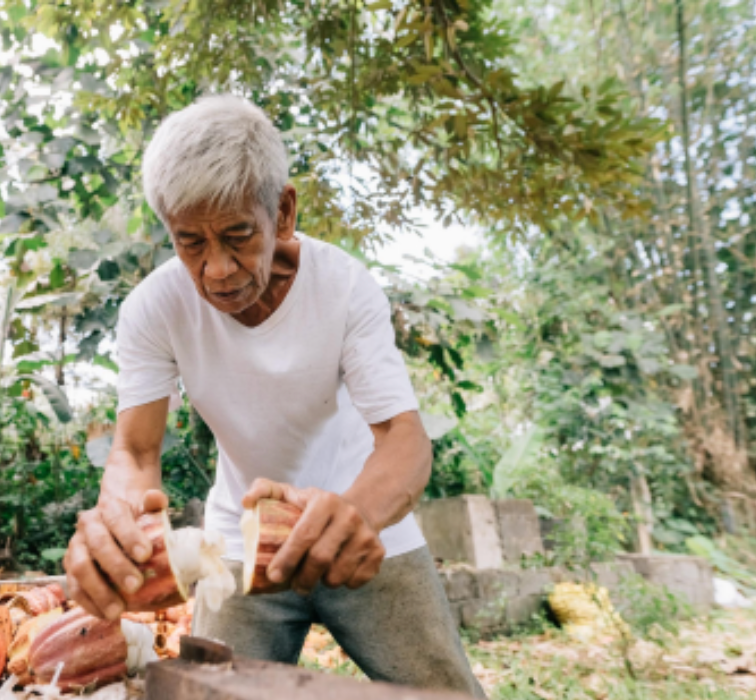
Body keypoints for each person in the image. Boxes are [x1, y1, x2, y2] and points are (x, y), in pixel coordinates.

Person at [63, 95, 485, 697]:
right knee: (201, 693)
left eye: (238, 236)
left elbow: (405, 441)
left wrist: (356, 515)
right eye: (190, 244)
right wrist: (121, 529)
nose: (217, 270)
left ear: (282, 211)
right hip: (237, 543)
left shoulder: (343, 286)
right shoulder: (153, 309)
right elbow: (134, 453)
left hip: (366, 531)